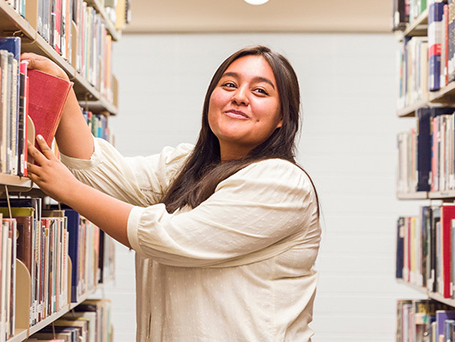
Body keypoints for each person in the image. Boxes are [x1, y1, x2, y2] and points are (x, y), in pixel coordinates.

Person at [22, 45, 321, 342]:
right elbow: (105, 175)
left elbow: (169, 238)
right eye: (229, 85)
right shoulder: (187, 165)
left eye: (260, 92)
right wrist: (61, 87)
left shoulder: (282, 182)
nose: (239, 97)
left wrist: (70, 191)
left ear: (283, 117)